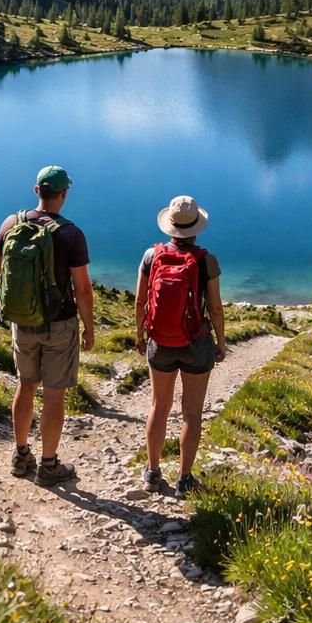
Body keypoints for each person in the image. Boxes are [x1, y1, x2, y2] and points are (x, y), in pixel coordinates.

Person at [0, 164, 95, 484]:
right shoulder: (71, 234)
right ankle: (48, 465)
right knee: (53, 394)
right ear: (64, 194)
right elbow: (82, 289)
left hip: (22, 323)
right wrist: (89, 328)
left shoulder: (11, 223)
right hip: (59, 325)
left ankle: (21, 455)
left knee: (25, 385)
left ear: (37, 191)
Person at [135, 194, 226, 499]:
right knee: (191, 413)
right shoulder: (207, 261)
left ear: (169, 226)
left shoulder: (151, 256)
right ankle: (185, 480)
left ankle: (152, 472)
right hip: (196, 343)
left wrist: (139, 334)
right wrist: (221, 342)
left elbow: (140, 300)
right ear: (196, 228)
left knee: (159, 407)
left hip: (159, 341)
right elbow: (214, 308)